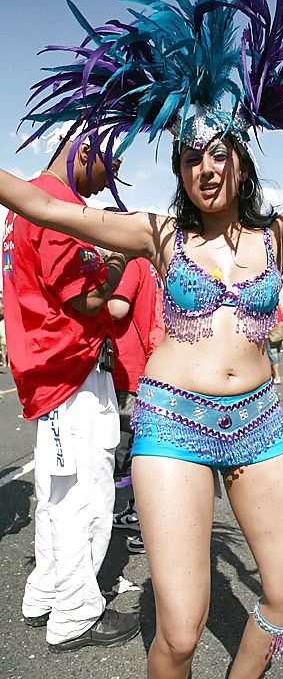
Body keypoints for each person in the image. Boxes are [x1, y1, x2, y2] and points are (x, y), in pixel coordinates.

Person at [0, 2, 283, 677]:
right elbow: (44, 205)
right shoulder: (160, 235)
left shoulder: (281, 236)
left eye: (218, 153)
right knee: (179, 633)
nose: (206, 168)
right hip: (172, 423)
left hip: (259, 423)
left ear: (238, 162)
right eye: (190, 159)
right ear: (179, 173)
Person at [1, 131, 140, 651]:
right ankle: (76, 611)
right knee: (86, 496)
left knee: (56, 495)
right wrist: (120, 263)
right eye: (110, 169)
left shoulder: (24, 207)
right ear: (88, 150)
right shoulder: (61, 209)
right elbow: (87, 300)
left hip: (46, 373)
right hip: (73, 373)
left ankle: (44, 593)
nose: (108, 185)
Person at [108, 250, 165, 555]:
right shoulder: (150, 265)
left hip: (125, 370)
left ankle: (149, 525)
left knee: (125, 458)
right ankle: (137, 514)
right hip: (145, 368)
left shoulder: (128, 263)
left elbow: (116, 307)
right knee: (140, 452)